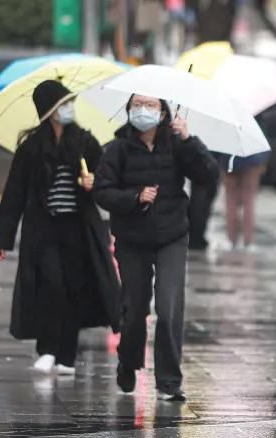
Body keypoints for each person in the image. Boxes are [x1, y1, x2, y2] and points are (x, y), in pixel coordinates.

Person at [94, 94, 218, 401]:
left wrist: (189, 139)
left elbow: (208, 175)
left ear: (163, 113)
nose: (142, 111)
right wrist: (134, 197)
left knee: (168, 306)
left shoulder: (176, 145)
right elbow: (102, 191)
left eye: (150, 106)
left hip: (172, 236)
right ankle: (129, 361)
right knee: (135, 309)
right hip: (132, 238)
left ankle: (169, 380)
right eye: (137, 105)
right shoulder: (117, 148)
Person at [0, 80, 120, 376]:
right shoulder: (31, 148)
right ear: (49, 110)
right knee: (52, 285)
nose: (69, 109)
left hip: (78, 229)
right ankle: (47, 349)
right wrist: (3, 238)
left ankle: (66, 356)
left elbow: (106, 182)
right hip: (44, 229)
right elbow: (14, 193)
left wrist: (94, 183)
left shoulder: (86, 142)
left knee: (74, 288)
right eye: (64, 104)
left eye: (71, 103)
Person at [221, 151, 270, 252]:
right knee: (249, 200)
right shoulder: (252, 135)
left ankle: (232, 240)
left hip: (228, 161)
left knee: (231, 200)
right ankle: (248, 241)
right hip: (251, 161)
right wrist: (262, 160)